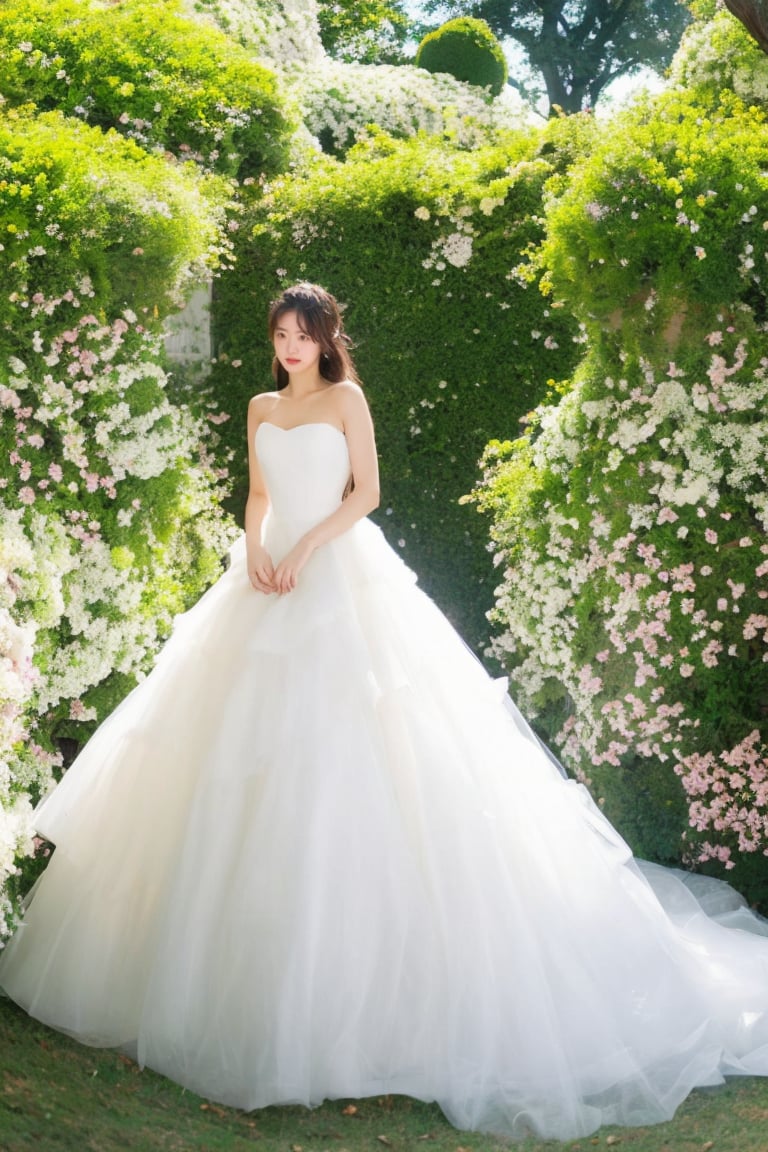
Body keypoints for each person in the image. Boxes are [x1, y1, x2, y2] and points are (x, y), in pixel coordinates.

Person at [2, 282, 768, 1142]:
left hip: (337, 578)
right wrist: (257, 548)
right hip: (259, 584)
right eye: (281, 335)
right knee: (224, 757)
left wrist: (304, 548)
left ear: (328, 339)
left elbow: (365, 494)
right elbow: (257, 493)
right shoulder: (259, 403)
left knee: (362, 757)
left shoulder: (346, 398)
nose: (290, 347)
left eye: (304, 335)